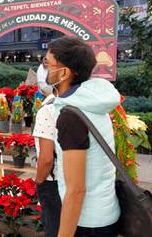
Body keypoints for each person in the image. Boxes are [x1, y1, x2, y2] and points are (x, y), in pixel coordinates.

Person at [44, 36, 120, 237]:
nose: (43, 68)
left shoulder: (71, 117)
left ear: (64, 72)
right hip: (105, 212)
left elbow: (76, 189)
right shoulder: (92, 101)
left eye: (47, 63)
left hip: (88, 222)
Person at [33, 64, 61, 237]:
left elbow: (46, 159)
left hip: (53, 182)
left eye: (46, 63)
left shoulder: (48, 109)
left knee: (54, 228)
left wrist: (39, 181)